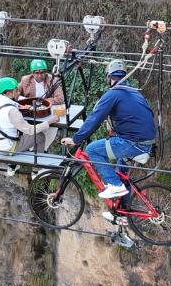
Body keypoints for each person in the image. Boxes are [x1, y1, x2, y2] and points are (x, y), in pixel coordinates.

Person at [62, 60, 158, 199]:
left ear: (108, 77)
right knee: (121, 173)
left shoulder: (113, 94)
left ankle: (115, 186)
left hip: (133, 143)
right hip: (146, 143)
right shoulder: (135, 93)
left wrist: (76, 139)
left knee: (92, 149)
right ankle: (123, 214)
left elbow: (95, 118)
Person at [0, 76, 60, 162]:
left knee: (19, 133)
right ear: (9, 93)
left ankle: (14, 165)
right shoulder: (12, 111)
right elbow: (30, 130)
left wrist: (19, 106)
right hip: (6, 148)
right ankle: (37, 168)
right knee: (40, 136)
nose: (19, 92)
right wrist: (50, 122)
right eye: (16, 90)